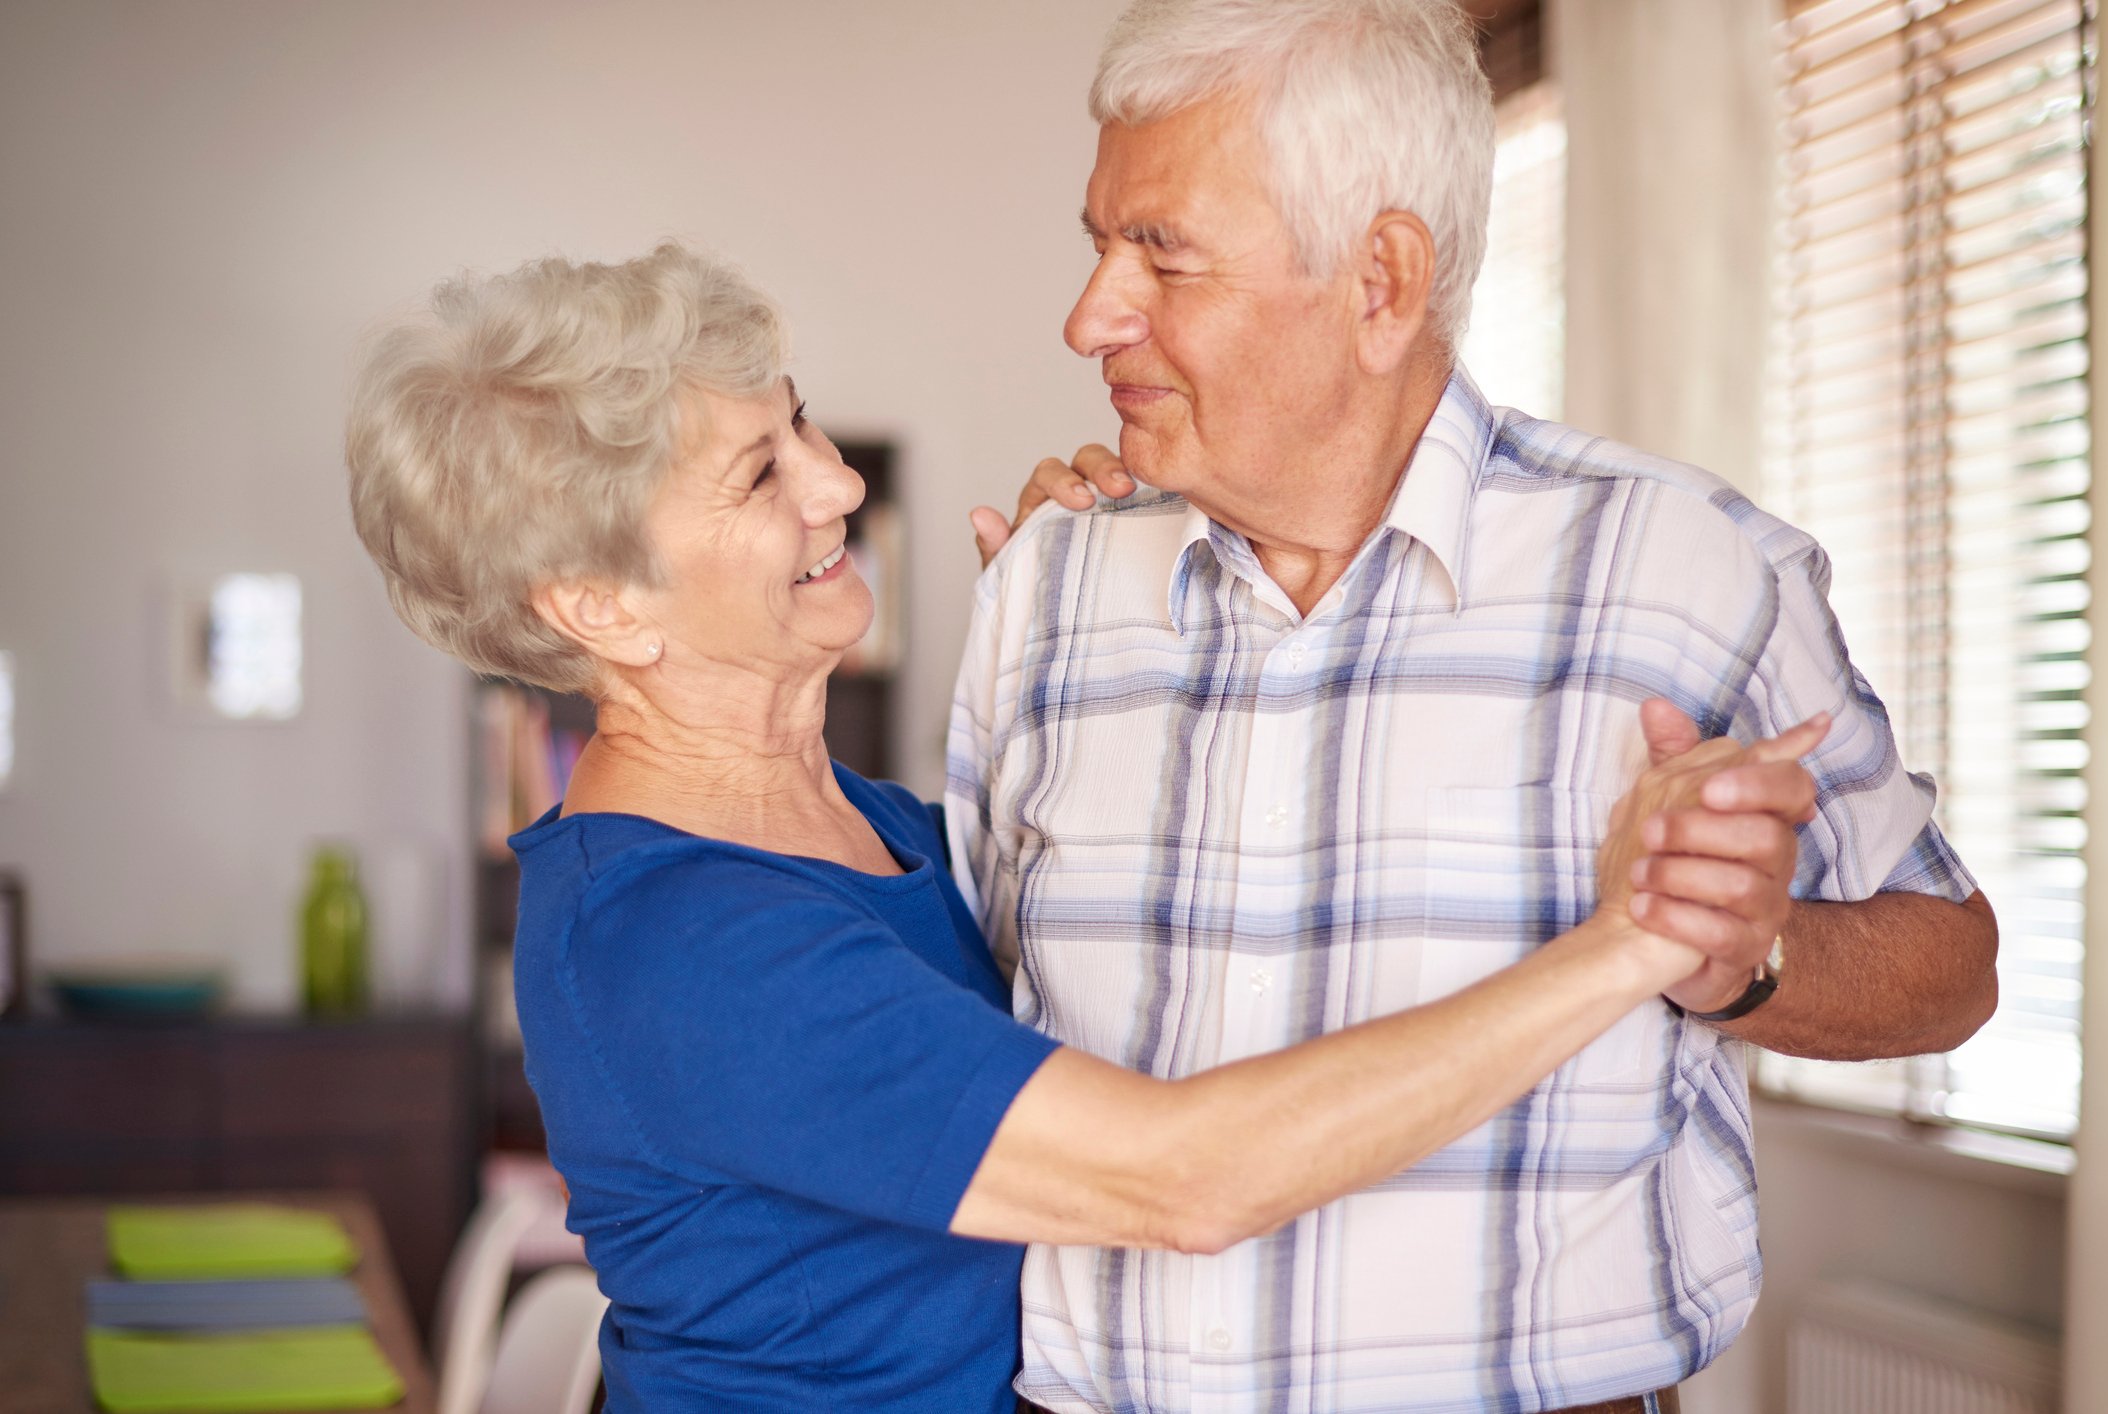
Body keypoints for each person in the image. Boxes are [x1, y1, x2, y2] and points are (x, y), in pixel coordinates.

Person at [344, 244, 1824, 1412]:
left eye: (798, 419)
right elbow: (1182, 1178)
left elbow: (1113, 958)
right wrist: (1635, 941)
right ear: (596, 605)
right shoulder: (676, 938)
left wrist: (1089, 651)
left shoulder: (856, 820)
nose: (838, 481)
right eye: (759, 473)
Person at [946, 2, 2001, 1411]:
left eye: (1163, 253)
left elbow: (1953, 958)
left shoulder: (1680, 572)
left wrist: (1744, 958)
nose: (1091, 316)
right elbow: (975, 1027)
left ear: (1381, 281)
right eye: (1098, 240)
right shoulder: (1043, 593)